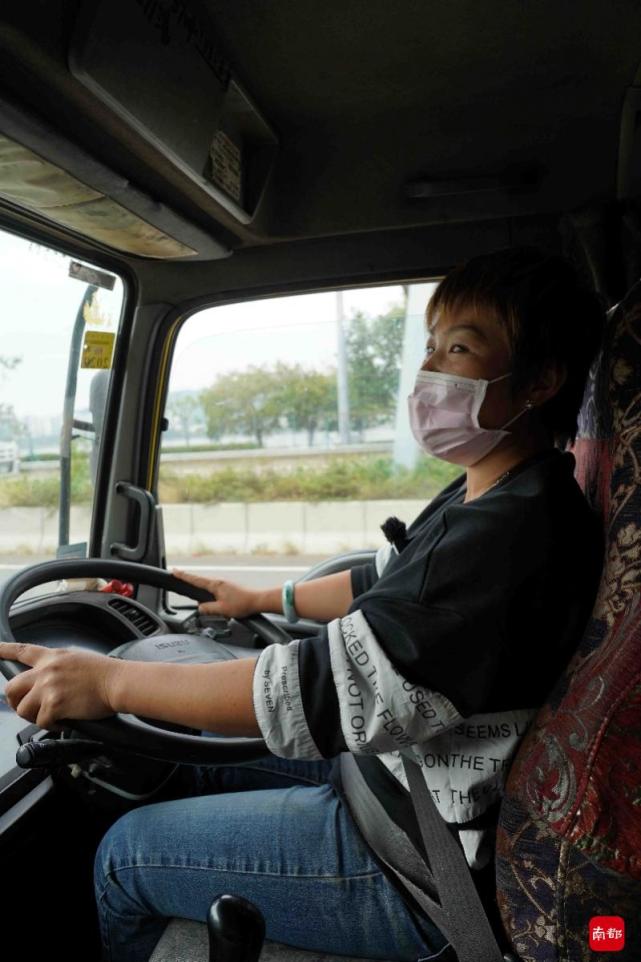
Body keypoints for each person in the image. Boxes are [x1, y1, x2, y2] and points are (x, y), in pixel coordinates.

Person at [0, 246, 606, 962]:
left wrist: (110, 680)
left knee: (125, 856)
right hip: (397, 776)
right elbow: (385, 579)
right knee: (183, 765)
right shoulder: (496, 491)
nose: (429, 372)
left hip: (421, 855)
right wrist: (263, 595)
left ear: (538, 380)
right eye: (430, 346)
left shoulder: (511, 532)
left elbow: (321, 690)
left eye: (459, 349)